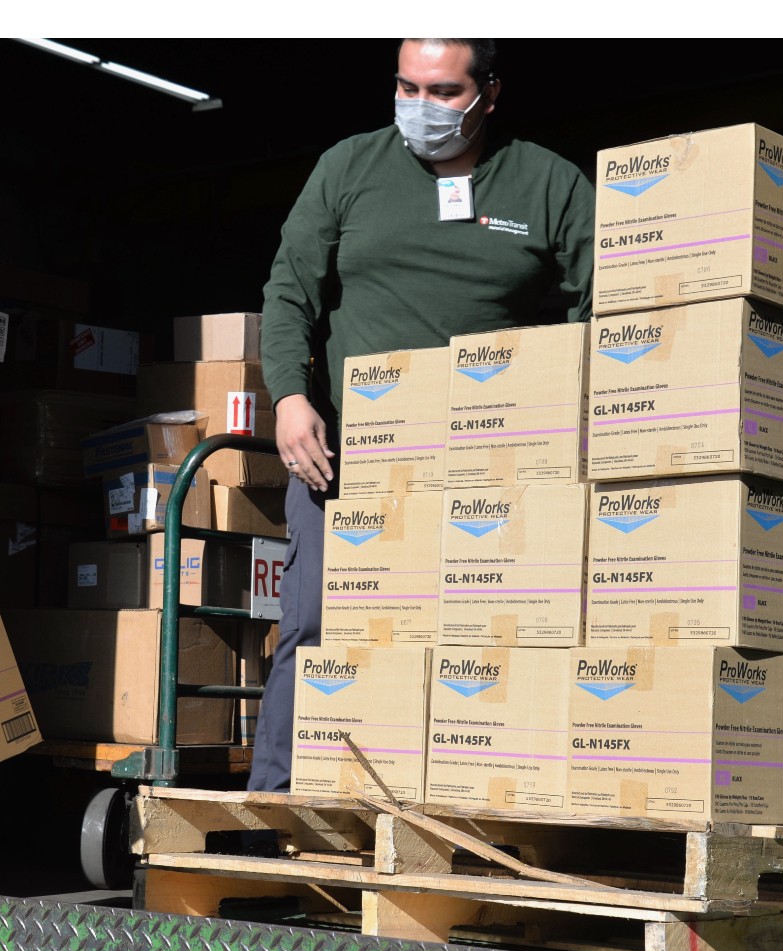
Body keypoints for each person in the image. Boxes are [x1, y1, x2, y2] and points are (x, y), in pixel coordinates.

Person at [248, 38, 592, 791]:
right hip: (346, 460)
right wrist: (292, 397)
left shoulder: (547, 184)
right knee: (313, 628)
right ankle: (274, 813)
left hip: (489, 467)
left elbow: (613, 301)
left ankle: (465, 804)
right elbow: (289, 293)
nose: (420, 108)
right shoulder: (350, 167)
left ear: (489, 93)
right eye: (406, 87)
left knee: (479, 644)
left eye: (442, 92)